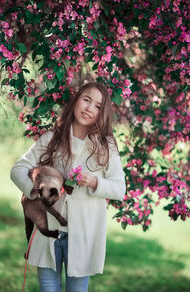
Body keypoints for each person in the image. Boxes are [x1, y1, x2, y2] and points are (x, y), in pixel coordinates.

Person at [10, 82, 126, 292]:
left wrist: (94, 182)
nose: (90, 108)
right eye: (86, 99)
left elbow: (119, 189)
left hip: (83, 235)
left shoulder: (105, 146)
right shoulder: (52, 138)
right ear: (76, 100)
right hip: (49, 233)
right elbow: (18, 169)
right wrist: (36, 192)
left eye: (98, 106)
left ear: (103, 113)